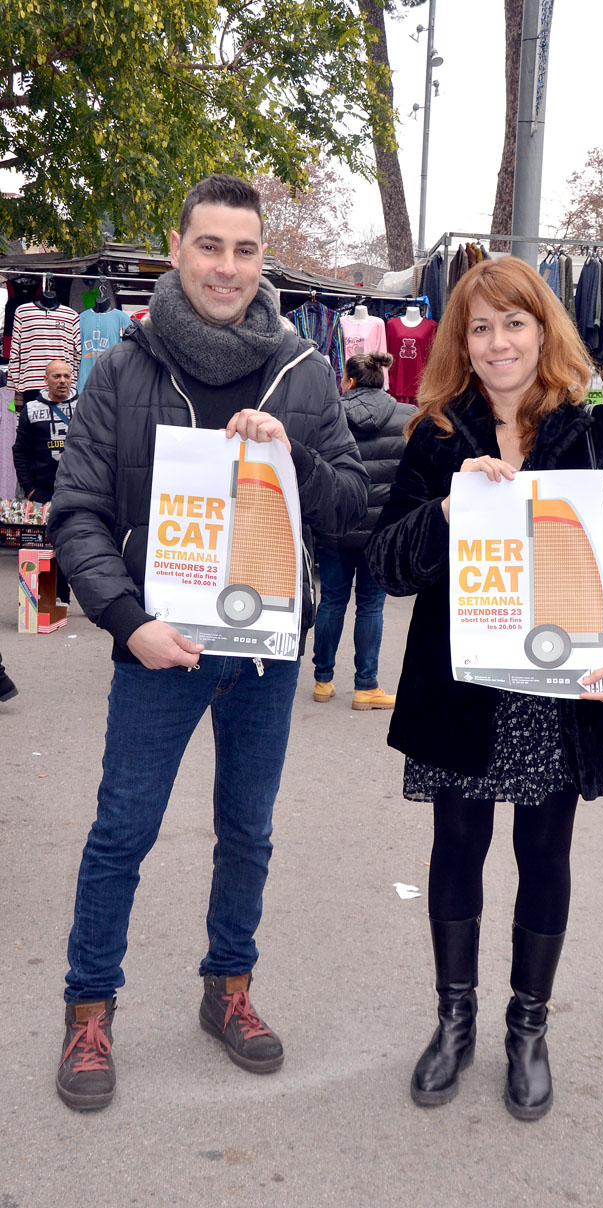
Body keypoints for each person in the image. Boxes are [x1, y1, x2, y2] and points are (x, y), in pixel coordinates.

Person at [48, 174, 368, 1112]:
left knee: (249, 832)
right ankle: (88, 1008)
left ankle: (228, 988)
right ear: (177, 250)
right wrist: (128, 621)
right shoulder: (124, 370)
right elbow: (75, 520)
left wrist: (293, 458)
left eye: (246, 250)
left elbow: (352, 511)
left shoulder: (304, 374)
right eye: (210, 246)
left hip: (264, 657)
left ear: (263, 260)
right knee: (122, 832)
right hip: (157, 650)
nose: (227, 267)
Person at [366, 257, 603, 1121]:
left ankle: (528, 1029)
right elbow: (387, 564)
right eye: (480, 327)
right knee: (456, 848)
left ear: (545, 329)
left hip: (561, 689)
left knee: (545, 854)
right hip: (461, 685)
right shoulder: (436, 437)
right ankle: (454, 1021)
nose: (498, 342)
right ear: (460, 343)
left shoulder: (602, 433)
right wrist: (444, 511)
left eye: (514, 323)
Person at [312, 351, 415, 710]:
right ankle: (365, 686)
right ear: (383, 381)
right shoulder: (407, 418)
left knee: (332, 601)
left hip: (335, 524)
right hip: (380, 533)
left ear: (350, 381)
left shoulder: (330, 412)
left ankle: (322, 680)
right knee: (370, 607)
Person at [12, 357, 79, 603]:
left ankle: (70, 594)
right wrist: (29, 489)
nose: (62, 381)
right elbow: (20, 451)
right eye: (56, 376)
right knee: (46, 545)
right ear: (46, 379)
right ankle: (52, 597)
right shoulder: (30, 409)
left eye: (66, 376)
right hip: (42, 491)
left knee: (75, 543)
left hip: (78, 488)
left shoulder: (85, 405)